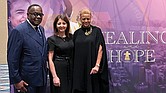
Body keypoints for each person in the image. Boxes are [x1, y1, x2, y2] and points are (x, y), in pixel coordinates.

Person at [7, 4, 48, 93]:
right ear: (28, 15)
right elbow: (12, 59)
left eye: (40, 15)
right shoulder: (18, 31)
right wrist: (17, 80)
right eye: (35, 14)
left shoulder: (41, 29)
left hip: (41, 79)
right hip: (26, 82)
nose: (37, 17)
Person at [72, 9, 109, 93]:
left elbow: (100, 48)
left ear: (91, 18)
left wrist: (97, 65)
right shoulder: (77, 33)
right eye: (84, 19)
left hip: (92, 67)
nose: (86, 21)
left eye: (88, 19)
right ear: (80, 19)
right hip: (79, 68)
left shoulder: (97, 31)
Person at [47, 15, 73, 93]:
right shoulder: (52, 39)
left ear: (67, 24)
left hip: (71, 68)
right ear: (55, 25)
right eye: (59, 23)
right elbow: (50, 59)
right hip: (59, 69)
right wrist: (54, 76)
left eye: (64, 23)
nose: (61, 26)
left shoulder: (72, 37)